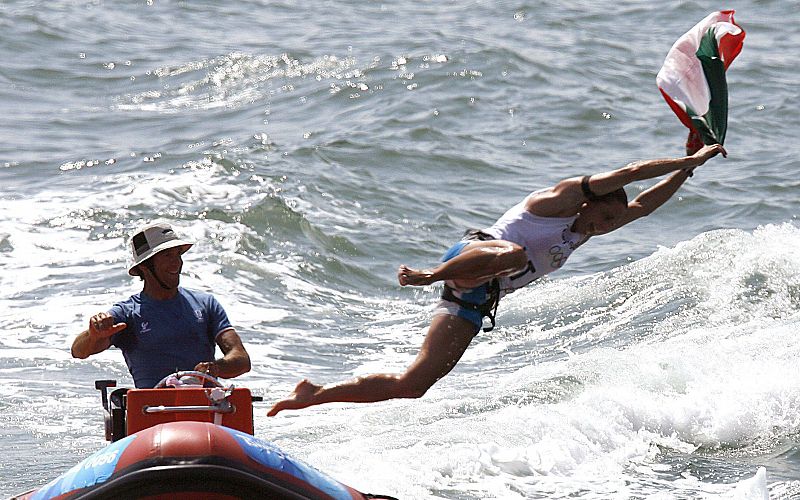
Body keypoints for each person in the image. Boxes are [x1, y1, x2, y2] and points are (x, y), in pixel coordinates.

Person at [267, 137, 726, 417]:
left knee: (414, 384)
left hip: (481, 294)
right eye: (602, 220)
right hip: (474, 255)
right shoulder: (559, 200)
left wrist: (688, 171)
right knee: (513, 252)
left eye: (608, 226)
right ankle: (428, 275)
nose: (602, 230)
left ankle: (313, 394)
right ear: (590, 202)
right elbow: (631, 174)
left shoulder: (592, 225)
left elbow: (644, 204)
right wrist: (686, 158)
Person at [71, 221, 251, 388]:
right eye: (167, 255)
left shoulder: (205, 304)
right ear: (144, 266)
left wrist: (215, 368)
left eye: (177, 254)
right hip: (153, 412)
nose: (177, 262)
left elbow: (241, 359)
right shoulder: (128, 313)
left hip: (207, 408)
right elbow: (78, 351)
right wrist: (93, 335)